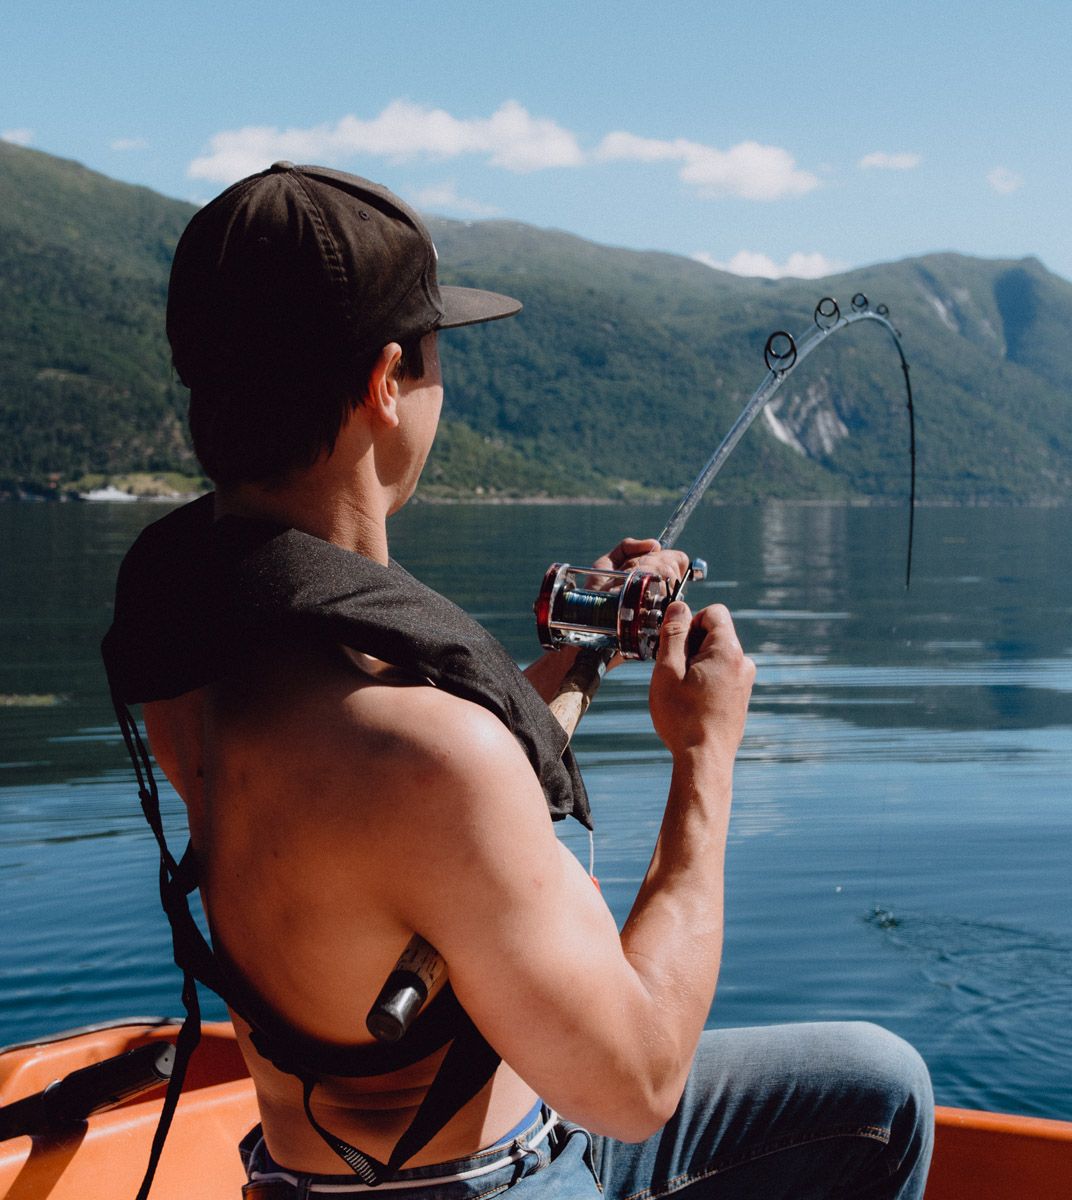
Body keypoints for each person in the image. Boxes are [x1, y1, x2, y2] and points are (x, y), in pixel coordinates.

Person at [103, 162, 933, 1199]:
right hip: (492, 1180)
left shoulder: (199, 664)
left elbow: (414, 818)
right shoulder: (417, 758)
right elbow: (638, 1088)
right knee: (888, 1107)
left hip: (312, 1171)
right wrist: (705, 761)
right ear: (385, 380)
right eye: (437, 358)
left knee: (873, 1086)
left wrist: (586, 652)